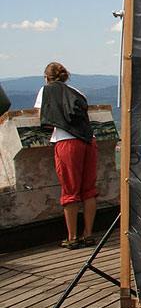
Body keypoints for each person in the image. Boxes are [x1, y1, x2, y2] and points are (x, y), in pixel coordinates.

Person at [34, 62, 98, 249]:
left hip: (66, 141)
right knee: (88, 190)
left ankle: (72, 237)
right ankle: (88, 235)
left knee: (70, 190)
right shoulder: (78, 92)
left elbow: (42, 116)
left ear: (47, 77)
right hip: (89, 140)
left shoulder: (46, 90)